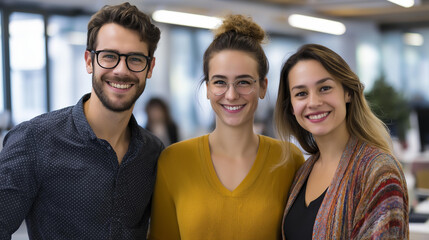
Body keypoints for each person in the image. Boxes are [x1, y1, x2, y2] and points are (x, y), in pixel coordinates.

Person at [0, 2, 163, 239]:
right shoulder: (35, 140)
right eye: (109, 56)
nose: (121, 70)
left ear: (150, 67)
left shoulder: (153, 152)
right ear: (89, 61)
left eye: (136, 59)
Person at [148, 15, 305, 240]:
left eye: (243, 82)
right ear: (208, 88)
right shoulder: (173, 161)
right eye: (220, 82)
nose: (231, 95)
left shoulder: (289, 160)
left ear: (262, 87)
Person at [275, 44, 409, 239]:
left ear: (347, 92)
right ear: (291, 107)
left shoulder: (378, 171)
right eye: (301, 93)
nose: (313, 102)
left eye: (325, 88)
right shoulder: (303, 172)